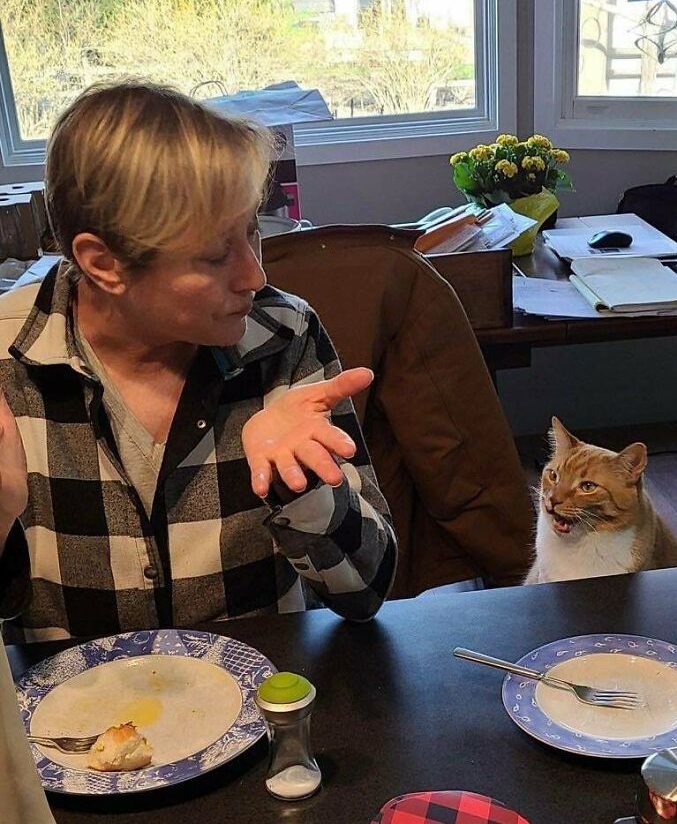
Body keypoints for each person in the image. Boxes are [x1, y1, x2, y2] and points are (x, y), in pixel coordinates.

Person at [0, 81, 396, 642]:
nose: (254, 276)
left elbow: (366, 593)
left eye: (252, 231)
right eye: (215, 255)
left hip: (257, 707)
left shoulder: (281, 337)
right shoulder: (8, 365)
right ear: (104, 262)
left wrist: (304, 488)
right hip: (69, 723)